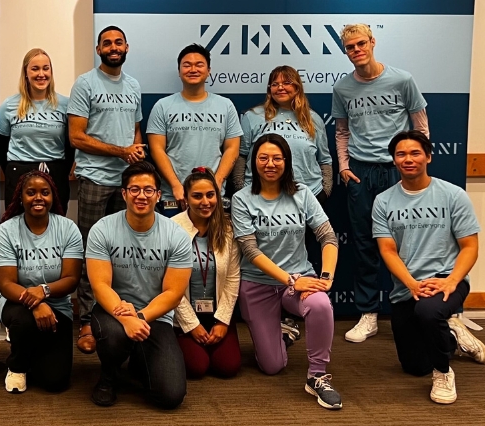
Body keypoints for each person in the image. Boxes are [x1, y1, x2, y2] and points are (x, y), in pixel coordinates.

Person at [332, 23, 429, 344]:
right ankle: (368, 313)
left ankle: (419, 305)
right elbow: (342, 131)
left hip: (397, 171)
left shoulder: (402, 80)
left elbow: (420, 126)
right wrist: (344, 167)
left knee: (410, 242)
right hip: (361, 173)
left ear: (372, 43)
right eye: (350, 47)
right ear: (345, 51)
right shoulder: (343, 89)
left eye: (361, 44)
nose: (356, 50)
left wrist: (416, 166)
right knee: (364, 242)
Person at [372, 130, 485, 404]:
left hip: (446, 279)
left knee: (428, 310)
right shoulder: (383, 201)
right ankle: (452, 335)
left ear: (428, 157)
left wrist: (451, 281)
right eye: (401, 154)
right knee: (414, 367)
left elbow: (470, 247)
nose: (408, 159)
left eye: (415, 153)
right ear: (394, 160)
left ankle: (443, 373)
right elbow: (388, 250)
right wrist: (411, 284)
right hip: (407, 287)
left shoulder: (453, 195)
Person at [231, 134, 342, 410]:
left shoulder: (302, 193)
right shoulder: (242, 199)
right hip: (258, 285)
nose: (270, 164)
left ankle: (316, 375)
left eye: (277, 158)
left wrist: (325, 278)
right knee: (272, 366)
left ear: (287, 161)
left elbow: (328, 237)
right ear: (254, 162)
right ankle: (284, 333)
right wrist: (291, 279)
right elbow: (251, 251)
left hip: (299, 280)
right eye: (263, 158)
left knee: (321, 305)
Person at [86, 161, 193, 409]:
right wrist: (126, 319)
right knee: (113, 335)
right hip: (113, 311)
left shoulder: (176, 235)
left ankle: (138, 359)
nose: (141, 196)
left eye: (148, 190)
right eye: (134, 189)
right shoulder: (103, 229)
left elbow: (173, 293)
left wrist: (140, 317)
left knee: (170, 397)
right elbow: (100, 285)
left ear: (158, 195)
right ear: (123, 194)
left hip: (155, 316)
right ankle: (108, 376)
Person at [68, 26, 145, 354]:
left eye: (118, 42)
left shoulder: (134, 85)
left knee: (124, 255)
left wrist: (136, 153)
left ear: (127, 46)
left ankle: (119, 314)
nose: (113, 48)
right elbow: (77, 137)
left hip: (126, 185)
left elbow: (136, 130)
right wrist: (121, 151)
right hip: (95, 180)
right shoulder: (85, 84)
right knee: (91, 253)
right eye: (107, 44)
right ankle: (85, 320)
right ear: (98, 49)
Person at [236, 65, 332, 272]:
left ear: (297, 87)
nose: (281, 87)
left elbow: (325, 159)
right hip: (260, 199)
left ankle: (298, 291)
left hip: (306, 197)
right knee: (262, 258)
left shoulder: (313, 119)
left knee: (298, 260)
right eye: (275, 83)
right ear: (269, 89)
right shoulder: (253, 116)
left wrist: (325, 191)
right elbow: (241, 155)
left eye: (287, 82)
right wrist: (241, 187)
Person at [0, 170, 82, 393]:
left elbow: (72, 279)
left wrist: (44, 291)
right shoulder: (6, 230)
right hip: (15, 301)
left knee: (55, 381)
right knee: (24, 321)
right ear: (20, 197)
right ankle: (17, 365)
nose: (38, 198)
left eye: (45, 192)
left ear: (53, 196)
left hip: (58, 303)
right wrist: (37, 302)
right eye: (31, 192)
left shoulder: (68, 228)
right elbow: (5, 284)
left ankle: (34, 349)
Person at [148, 44, 242, 215]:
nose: (193, 69)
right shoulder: (162, 106)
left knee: (214, 242)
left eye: (199, 64)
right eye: (187, 65)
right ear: (179, 71)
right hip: (175, 196)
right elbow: (156, 149)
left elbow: (232, 148)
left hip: (211, 196)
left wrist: (217, 182)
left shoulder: (226, 106)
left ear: (208, 71)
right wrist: (176, 185)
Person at [172, 168, 241, 378]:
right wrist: (191, 325)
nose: (205, 202)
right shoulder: (172, 228)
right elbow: (168, 286)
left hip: (217, 314)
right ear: (186, 198)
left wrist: (222, 322)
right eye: (197, 196)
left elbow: (232, 279)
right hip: (182, 316)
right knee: (196, 368)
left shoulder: (228, 229)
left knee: (228, 367)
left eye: (210, 195)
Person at [0, 48, 73, 214]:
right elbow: (0, 147)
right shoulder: (9, 105)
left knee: (56, 224)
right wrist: (14, 169)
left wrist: (59, 169)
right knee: (16, 225)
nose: (41, 74)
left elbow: (70, 145)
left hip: (56, 172)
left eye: (46, 68)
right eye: (35, 68)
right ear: (25, 73)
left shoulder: (66, 105)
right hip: (18, 172)